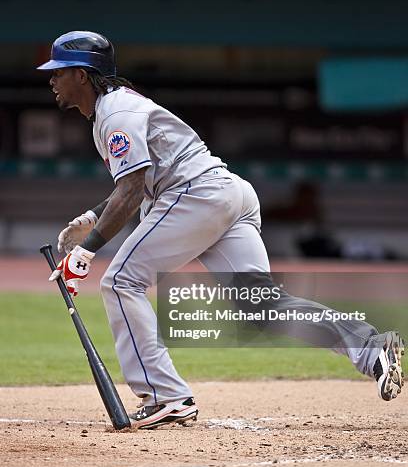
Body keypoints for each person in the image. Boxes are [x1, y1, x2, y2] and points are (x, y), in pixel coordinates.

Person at [37, 31, 404, 429]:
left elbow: (132, 190)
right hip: (227, 194)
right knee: (262, 305)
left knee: (120, 282)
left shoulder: (116, 113)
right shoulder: (115, 111)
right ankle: (371, 348)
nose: (52, 80)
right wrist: (92, 218)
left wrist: (87, 251)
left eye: (60, 72)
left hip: (197, 196)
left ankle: (165, 396)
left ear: (84, 75)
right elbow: (134, 185)